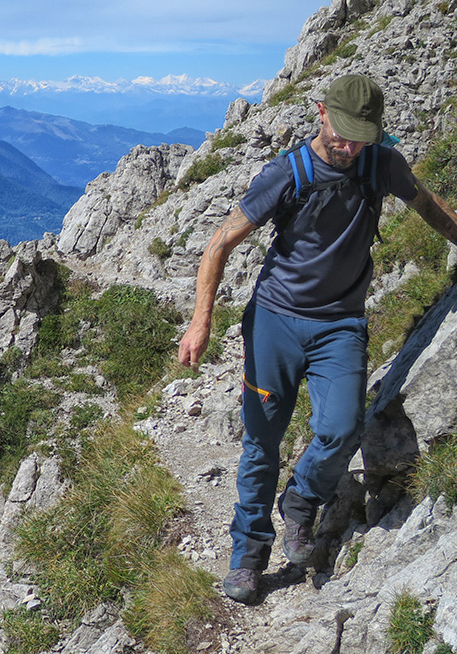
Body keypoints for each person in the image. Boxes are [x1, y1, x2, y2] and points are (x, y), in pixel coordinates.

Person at [177, 74, 457, 604]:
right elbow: (219, 244)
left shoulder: (381, 164)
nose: (351, 147)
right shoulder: (287, 173)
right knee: (261, 443)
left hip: (340, 325)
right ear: (321, 112)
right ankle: (247, 557)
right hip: (275, 322)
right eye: (344, 133)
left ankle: (301, 503)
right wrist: (201, 323)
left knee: (342, 426)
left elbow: (429, 207)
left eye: (363, 136)